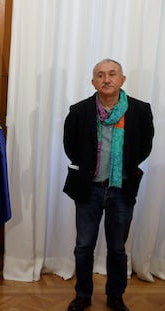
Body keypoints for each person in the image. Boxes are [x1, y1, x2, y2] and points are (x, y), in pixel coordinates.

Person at [63, 59, 154, 311]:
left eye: (112, 74)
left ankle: (115, 295)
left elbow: (144, 147)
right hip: (88, 189)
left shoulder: (140, 110)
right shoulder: (79, 111)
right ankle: (83, 295)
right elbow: (70, 146)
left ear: (122, 79)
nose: (106, 79)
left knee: (117, 248)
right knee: (84, 247)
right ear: (93, 82)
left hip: (122, 190)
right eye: (100, 75)